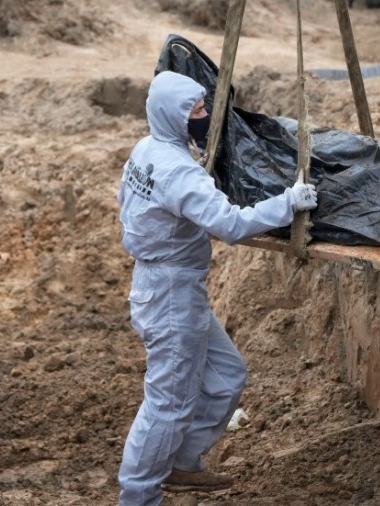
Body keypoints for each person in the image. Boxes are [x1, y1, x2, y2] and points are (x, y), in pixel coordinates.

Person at [116, 70, 317, 505]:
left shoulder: (147, 149)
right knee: (167, 404)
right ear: (173, 115)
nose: (206, 116)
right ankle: (137, 495)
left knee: (227, 376)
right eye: (197, 110)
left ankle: (183, 463)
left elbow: (125, 201)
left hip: (166, 286)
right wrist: (288, 202)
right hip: (170, 294)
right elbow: (229, 224)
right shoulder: (179, 174)